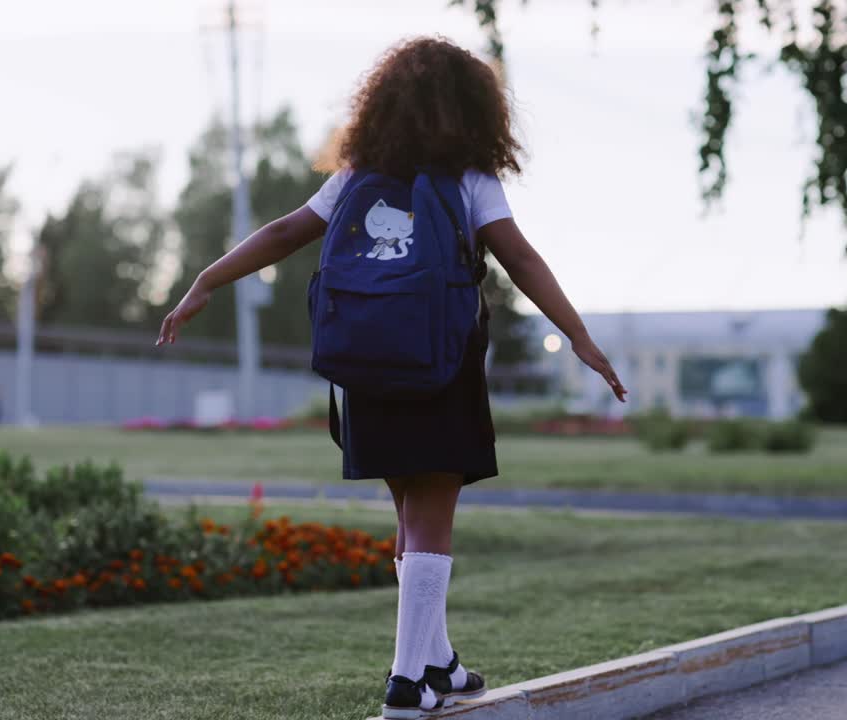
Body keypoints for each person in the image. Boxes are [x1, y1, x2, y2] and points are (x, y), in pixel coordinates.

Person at [156, 36, 625, 719]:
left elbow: (287, 232)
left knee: (409, 515)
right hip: (440, 365)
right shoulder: (468, 180)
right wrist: (579, 336)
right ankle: (407, 682)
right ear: (472, 111)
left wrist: (206, 280)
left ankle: (440, 661)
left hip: (366, 365)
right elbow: (519, 259)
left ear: (383, 107)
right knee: (433, 514)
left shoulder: (355, 177)